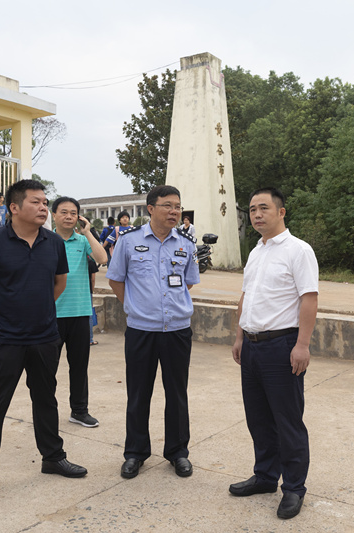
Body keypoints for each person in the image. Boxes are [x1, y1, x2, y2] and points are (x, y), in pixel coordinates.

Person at [0, 179, 86, 506]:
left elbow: (58, 283)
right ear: (14, 207)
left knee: (46, 399)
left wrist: (41, 309)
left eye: (45, 202)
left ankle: (52, 457)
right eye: (36, 202)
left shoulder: (53, 243)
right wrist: (2, 314)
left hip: (46, 337)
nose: (44, 208)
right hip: (5, 340)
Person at [229, 187, 319, 520]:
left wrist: (303, 345)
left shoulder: (298, 251)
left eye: (263, 208)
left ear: (281, 212)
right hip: (251, 346)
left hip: (282, 347)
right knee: (259, 418)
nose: (256, 214)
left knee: (287, 422)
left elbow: (309, 298)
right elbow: (245, 297)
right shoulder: (256, 251)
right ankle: (265, 476)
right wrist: (239, 336)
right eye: (252, 209)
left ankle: (294, 488)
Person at [106, 185, 200, 479]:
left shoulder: (186, 244)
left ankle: (178, 452)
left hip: (177, 331)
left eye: (178, 207)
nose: (174, 212)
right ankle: (135, 452)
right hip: (141, 331)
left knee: (177, 394)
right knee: (138, 394)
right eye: (168, 206)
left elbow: (189, 282)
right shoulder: (129, 241)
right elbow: (116, 280)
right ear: (150, 209)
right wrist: (137, 306)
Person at [51, 196, 107, 428]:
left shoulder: (82, 241)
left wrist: (88, 232)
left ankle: (79, 411)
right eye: (63, 212)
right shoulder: (46, 241)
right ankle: (46, 411)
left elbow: (102, 258)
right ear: (53, 215)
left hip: (80, 313)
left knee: (79, 366)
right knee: (46, 369)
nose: (68, 217)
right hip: (51, 315)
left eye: (73, 213)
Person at [88, 258, 99, 346]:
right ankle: (90, 339)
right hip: (87, 291)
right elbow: (93, 279)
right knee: (89, 315)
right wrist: (92, 290)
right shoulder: (91, 261)